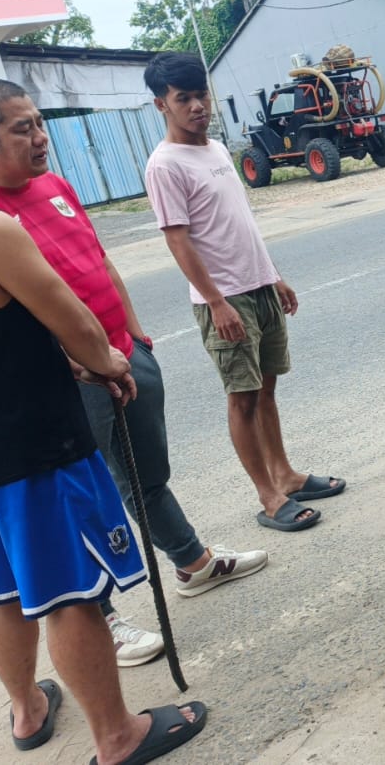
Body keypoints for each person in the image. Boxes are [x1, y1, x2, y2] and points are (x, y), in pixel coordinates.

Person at [0, 70, 206, 763]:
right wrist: (107, 362)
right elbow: (75, 321)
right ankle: (117, 735)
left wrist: (64, 359)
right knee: (70, 594)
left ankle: (27, 709)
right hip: (36, 451)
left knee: (1, 591)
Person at [0, 80, 269, 665]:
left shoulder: (56, 186)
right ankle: (100, 617)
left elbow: (99, 260)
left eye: (39, 123)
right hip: (72, 380)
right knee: (81, 496)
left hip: (124, 354)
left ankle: (192, 563)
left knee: (146, 476)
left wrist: (135, 338)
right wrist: (74, 363)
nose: (40, 137)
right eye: (22, 128)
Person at [143, 52, 344, 532]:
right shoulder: (165, 165)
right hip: (225, 300)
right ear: (161, 105)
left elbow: (237, 224)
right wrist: (216, 302)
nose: (197, 106)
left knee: (267, 388)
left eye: (202, 95)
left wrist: (273, 275)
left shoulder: (215, 149)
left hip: (259, 287)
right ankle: (269, 496)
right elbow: (178, 240)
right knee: (243, 398)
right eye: (183, 99)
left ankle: (286, 475)